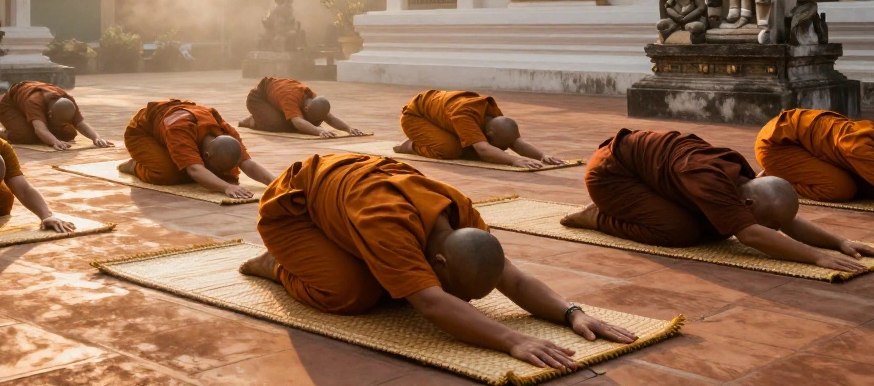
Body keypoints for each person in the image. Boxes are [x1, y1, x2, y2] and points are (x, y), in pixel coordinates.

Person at [240, 153, 637, 370]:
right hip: (293, 215)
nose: (464, 301)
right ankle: (276, 264)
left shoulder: (463, 214)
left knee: (394, 285)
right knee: (353, 294)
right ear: (441, 263)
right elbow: (431, 304)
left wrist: (572, 313)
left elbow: (512, 279)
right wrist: (513, 339)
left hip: (348, 204)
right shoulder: (387, 223)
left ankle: (332, 254)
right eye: (458, 292)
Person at [560, 128, 874, 272]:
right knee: (681, 232)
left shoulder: (744, 183)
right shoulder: (710, 179)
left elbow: (782, 220)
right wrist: (817, 258)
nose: (773, 231)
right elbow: (751, 234)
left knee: (714, 228)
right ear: (748, 206)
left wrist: (839, 243)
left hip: (647, 176)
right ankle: (596, 217)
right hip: (611, 177)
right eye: (768, 225)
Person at [119, 99, 277, 199]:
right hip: (142, 133)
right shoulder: (179, 131)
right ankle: (134, 166)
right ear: (205, 156)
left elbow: (248, 163)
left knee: (223, 174)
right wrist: (226, 187)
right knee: (169, 174)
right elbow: (194, 169)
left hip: (169, 130)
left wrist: (275, 182)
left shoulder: (226, 132)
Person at [395, 90, 562, 169]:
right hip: (415, 117)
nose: (503, 149)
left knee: (470, 149)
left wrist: (542, 155)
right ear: (489, 134)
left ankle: (431, 138)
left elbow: (516, 142)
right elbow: (483, 150)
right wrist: (514, 160)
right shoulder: (464, 115)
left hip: (440, 118)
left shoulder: (494, 114)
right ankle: (410, 145)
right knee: (451, 150)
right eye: (499, 146)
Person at [0, 81, 110, 150]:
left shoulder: (68, 101)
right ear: (49, 114)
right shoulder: (34, 102)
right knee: (27, 135)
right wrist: (55, 142)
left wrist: (96, 138)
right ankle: (4, 133)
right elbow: (40, 130)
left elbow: (81, 124)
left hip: (31, 106)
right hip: (10, 107)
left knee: (69, 134)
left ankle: (34, 126)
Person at [239, 76, 365, 138]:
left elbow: (329, 117)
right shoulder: (290, 97)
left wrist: (348, 129)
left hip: (276, 100)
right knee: (279, 124)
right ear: (306, 109)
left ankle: (264, 116)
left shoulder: (312, 98)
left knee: (297, 124)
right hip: (258, 99)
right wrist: (319, 131)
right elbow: (298, 121)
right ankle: (251, 120)